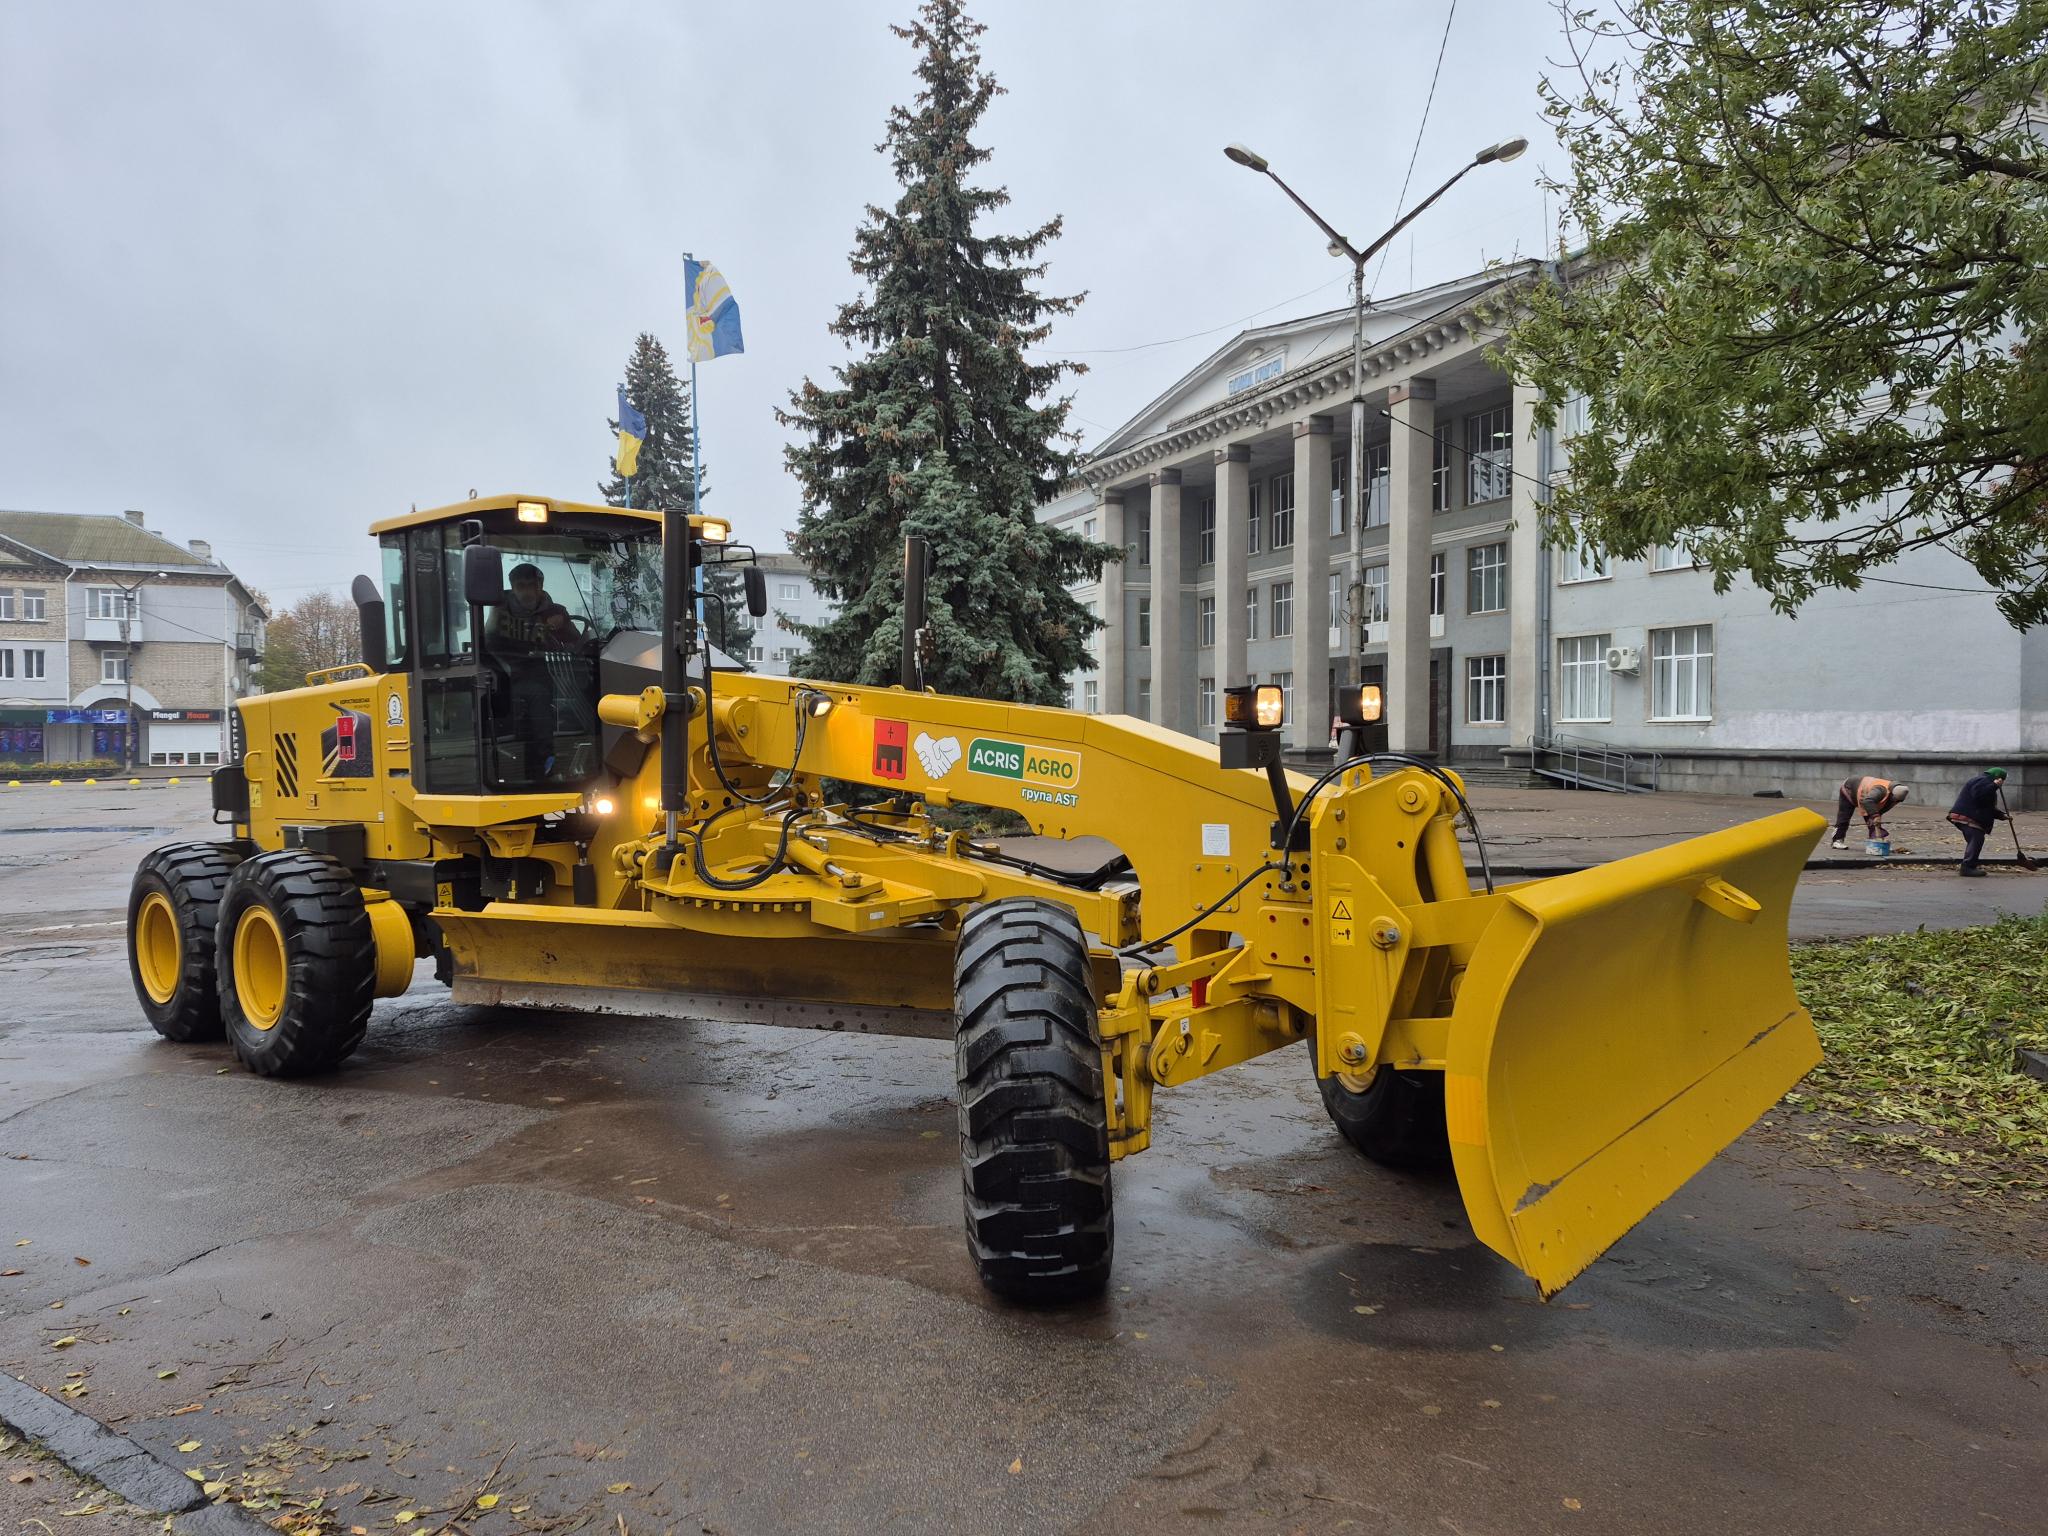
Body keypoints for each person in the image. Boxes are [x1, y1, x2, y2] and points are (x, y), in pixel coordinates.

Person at [488, 562, 581, 780]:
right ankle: (541, 762)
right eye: (521, 586)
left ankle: (575, 757)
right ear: (513, 587)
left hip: (559, 674)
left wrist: (562, 629)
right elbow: (489, 644)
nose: (528, 592)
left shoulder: (557, 612)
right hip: (514, 676)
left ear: (540, 586)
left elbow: (578, 643)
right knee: (535, 695)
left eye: (532, 585)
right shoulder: (501, 613)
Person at [1946, 766, 2008, 877]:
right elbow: (1979, 796)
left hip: (1970, 816)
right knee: (1976, 838)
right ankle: (1967, 867)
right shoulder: (1982, 781)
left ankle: (1970, 865)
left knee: (1975, 839)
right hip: (1968, 816)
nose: (2002, 784)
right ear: (1998, 778)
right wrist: (1994, 785)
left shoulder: (1986, 784)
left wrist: (2002, 815)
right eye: (2002, 781)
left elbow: (1987, 805)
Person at [1831, 775, 1910, 850]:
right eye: (1895, 799)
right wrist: (1875, 815)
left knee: (1873, 821)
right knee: (1845, 816)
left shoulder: (1896, 791)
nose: (1896, 802)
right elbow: (1868, 801)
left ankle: (1877, 841)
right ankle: (1837, 840)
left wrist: (1877, 816)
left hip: (1864, 796)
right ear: (1892, 794)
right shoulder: (1880, 790)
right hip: (1849, 789)